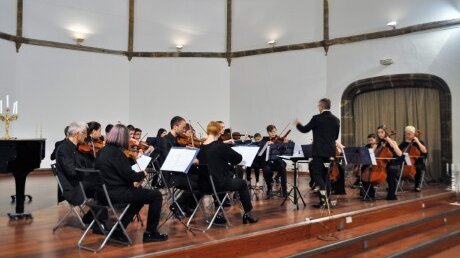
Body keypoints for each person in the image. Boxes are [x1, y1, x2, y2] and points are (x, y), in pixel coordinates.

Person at [95, 124, 168, 242]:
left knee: (139, 197)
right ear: (122, 138)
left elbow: (115, 174)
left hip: (102, 193)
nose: (129, 139)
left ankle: (118, 230)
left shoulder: (103, 151)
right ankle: (150, 233)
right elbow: (130, 176)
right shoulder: (117, 153)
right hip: (115, 193)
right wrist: (143, 174)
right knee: (156, 195)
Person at [198, 121, 258, 224]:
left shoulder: (202, 147)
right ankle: (248, 213)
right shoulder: (220, 146)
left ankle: (218, 214)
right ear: (219, 132)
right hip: (218, 185)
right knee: (242, 184)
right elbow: (237, 159)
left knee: (220, 179)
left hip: (205, 185)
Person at [55, 121, 106, 233]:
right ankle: (99, 223)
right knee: (102, 189)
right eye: (84, 133)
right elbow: (72, 172)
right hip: (72, 188)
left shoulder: (72, 147)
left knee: (102, 187)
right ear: (77, 134)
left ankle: (91, 218)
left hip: (77, 183)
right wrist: (91, 174)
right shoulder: (64, 149)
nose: (86, 136)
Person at [295, 98, 340, 208]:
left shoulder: (317, 118)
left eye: (319, 106)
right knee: (326, 176)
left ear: (321, 106)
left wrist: (298, 125)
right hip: (330, 153)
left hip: (319, 153)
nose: (318, 108)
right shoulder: (336, 120)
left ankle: (324, 198)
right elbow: (335, 137)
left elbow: (305, 129)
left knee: (317, 175)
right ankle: (326, 201)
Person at [157, 116, 199, 218]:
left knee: (203, 181)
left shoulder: (177, 140)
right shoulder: (164, 140)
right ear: (175, 126)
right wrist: (190, 160)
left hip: (180, 173)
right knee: (195, 186)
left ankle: (186, 205)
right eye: (183, 127)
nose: (185, 130)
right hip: (170, 176)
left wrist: (189, 151)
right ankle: (177, 205)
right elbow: (170, 160)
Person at [361, 125, 402, 200]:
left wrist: (388, 140)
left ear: (385, 132)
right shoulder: (378, 143)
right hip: (380, 164)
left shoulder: (393, 142)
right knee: (364, 167)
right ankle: (369, 193)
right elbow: (373, 154)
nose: (380, 134)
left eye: (381, 132)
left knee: (391, 170)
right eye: (378, 132)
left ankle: (391, 194)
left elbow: (399, 154)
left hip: (391, 164)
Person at [261, 125, 288, 199]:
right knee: (266, 170)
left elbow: (283, 152)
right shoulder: (264, 140)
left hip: (277, 161)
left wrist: (285, 145)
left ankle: (284, 190)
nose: (274, 133)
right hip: (267, 162)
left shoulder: (278, 140)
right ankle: (269, 188)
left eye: (275, 131)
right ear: (268, 132)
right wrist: (267, 144)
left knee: (283, 168)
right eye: (272, 131)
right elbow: (261, 153)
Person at [399, 126, 428, 192]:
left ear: (414, 134)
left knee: (418, 168)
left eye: (409, 134)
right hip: (406, 163)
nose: (407, 135)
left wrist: (417, 142)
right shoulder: (404, 143)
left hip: (418, 162)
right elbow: (398, 152)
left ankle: (417, 185)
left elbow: (425, 152)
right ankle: (394, 185)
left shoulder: (420, 142)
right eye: (406, 133)